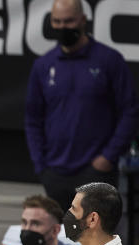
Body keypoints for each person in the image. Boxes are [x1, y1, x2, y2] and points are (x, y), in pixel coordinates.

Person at [24, 0, 139, 210]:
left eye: (69, 21)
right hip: (54, 174)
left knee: (97, 239)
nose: (63, 27)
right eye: (57, 21)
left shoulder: (109, 61)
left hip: (97, 172)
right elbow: (33, 118)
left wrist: (107, 158)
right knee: (61, 239)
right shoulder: (43, 65)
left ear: (83, 20)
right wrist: (40, 164)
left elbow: (130, 112)